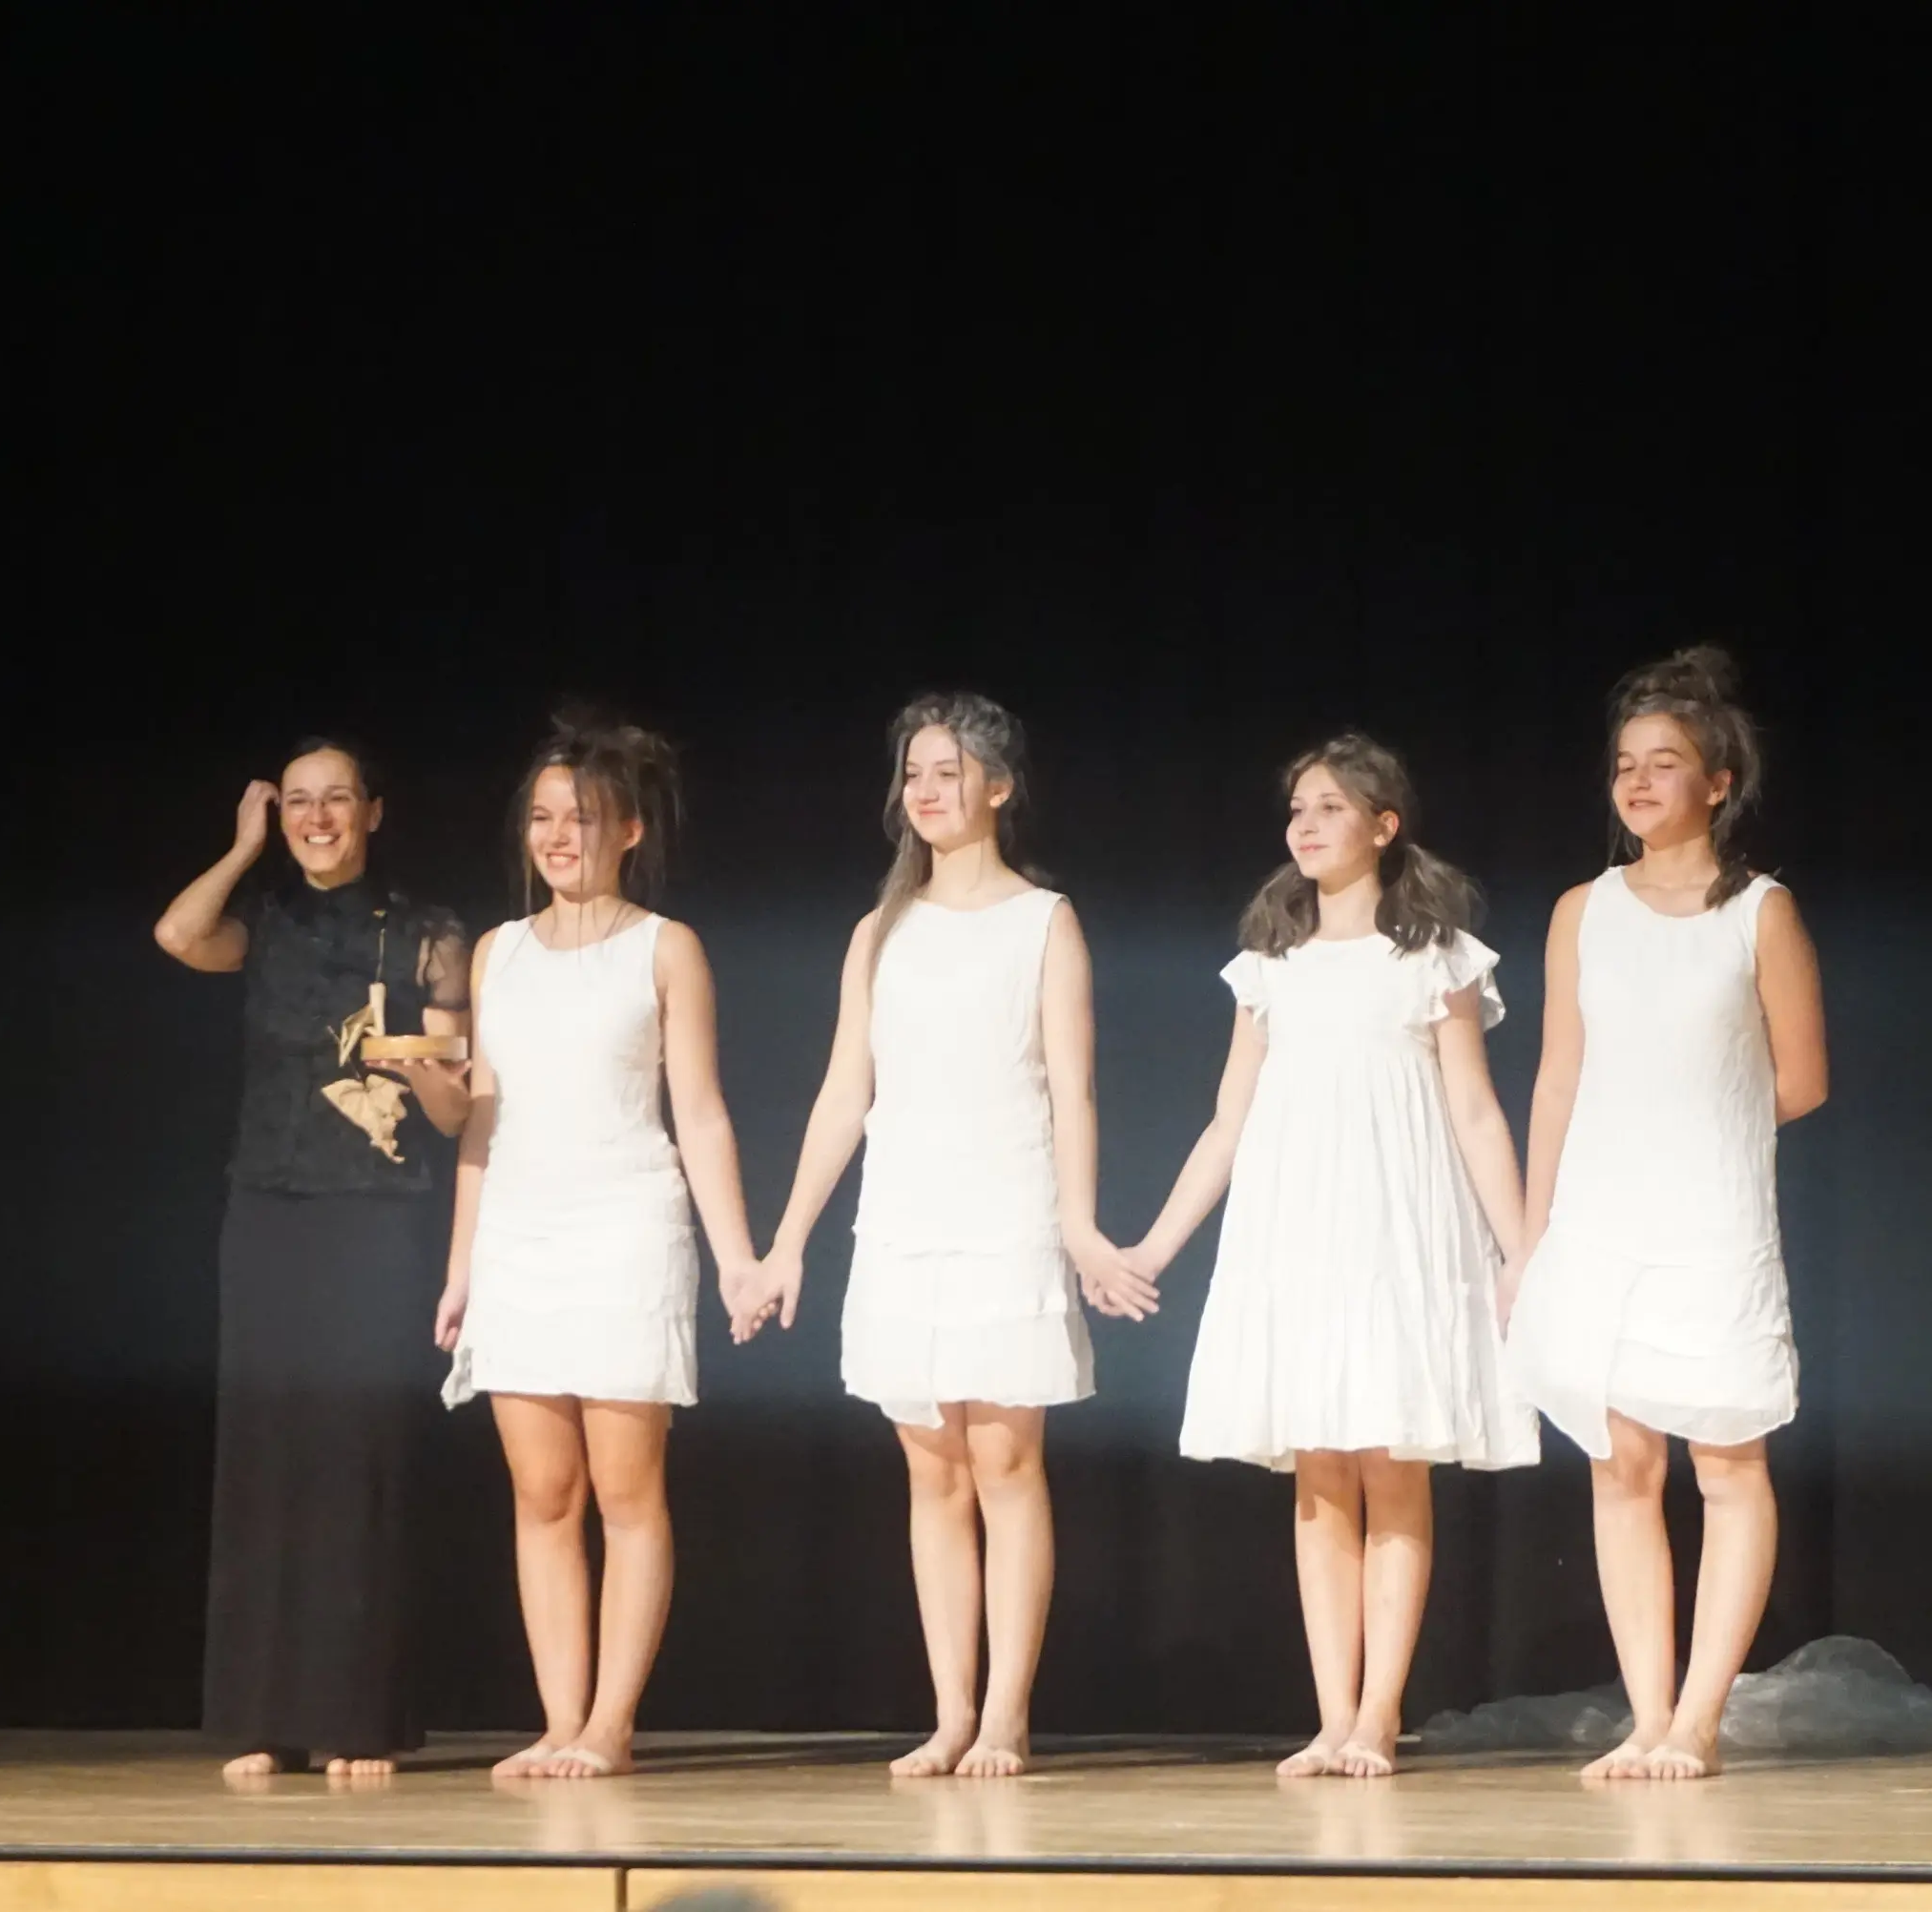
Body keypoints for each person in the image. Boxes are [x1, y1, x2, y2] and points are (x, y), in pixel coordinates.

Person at [746, 693, 1155, 1778]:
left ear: (1000, 787)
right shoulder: (880, 931)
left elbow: (1072, 1089)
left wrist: (1079, 1223)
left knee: (1005, 1461)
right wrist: (786, 1242)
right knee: (931, 1469)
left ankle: (1008, 1713)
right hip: (904, 1215)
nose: (926, 791)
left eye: (949, 771)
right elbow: (845, 1092)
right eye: (914, 773)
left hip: (1007, 1207)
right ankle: (951, 1712)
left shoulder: (1043, 921)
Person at [1122, 733, 1539, 1779]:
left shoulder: (1436, 958)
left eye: (1331, 808)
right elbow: (1227, 1123)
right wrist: (1154, 1246)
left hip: (1398, 1229)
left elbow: (1476, 1112)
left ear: (1383, 826)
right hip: (1297, 1231)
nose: (1305, 825)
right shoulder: (1270, 965)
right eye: (1298, 808)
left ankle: (1380, 1715)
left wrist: (1521, 1250)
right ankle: (1332, 1715)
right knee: (1317, 1476)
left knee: (1392, 1465)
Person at [1501, 647, 1829, 1781]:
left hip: (1710, 1218)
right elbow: (1557, 1078)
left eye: (1665, 763)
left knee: (1726, 1460)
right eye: (1625, 765)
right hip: (1599, 1219)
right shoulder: (1582, 911)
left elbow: (1801, 1079)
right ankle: (1648, 1718)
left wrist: (1697, 1131)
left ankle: (1700, 1720)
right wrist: (1530, 1240)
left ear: (1718, 782)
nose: (1638, 782)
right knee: (1620, 1462)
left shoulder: (1760, 913)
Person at [434, 714, 758, 1779]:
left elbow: (700, 1113)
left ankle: (611, 1725)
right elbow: (481, 1120)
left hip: (627, 1226)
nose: (557, 836)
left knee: (625, 1490)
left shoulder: (665, 948)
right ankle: (558, 1719)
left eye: (580, 818)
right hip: (519, 1233)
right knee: (542, 1494)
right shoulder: (498, 952)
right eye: (541, 817)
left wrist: (737, 1257)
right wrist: (461, 1269)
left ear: (628, 829)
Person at [152, 738, 470, 1782]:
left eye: (338, 799)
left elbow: (457, 1108)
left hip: (376, 1211)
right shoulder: (268, 923)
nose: (318, 818)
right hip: (269, 1206)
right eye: (298, 802)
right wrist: (242, 846)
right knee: (268, 1452)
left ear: (375, 810)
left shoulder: (427, 932)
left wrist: (412, 1060)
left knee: (358, 1453)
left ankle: (358, 1717)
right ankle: (264, 1716)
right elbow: (178, 934)